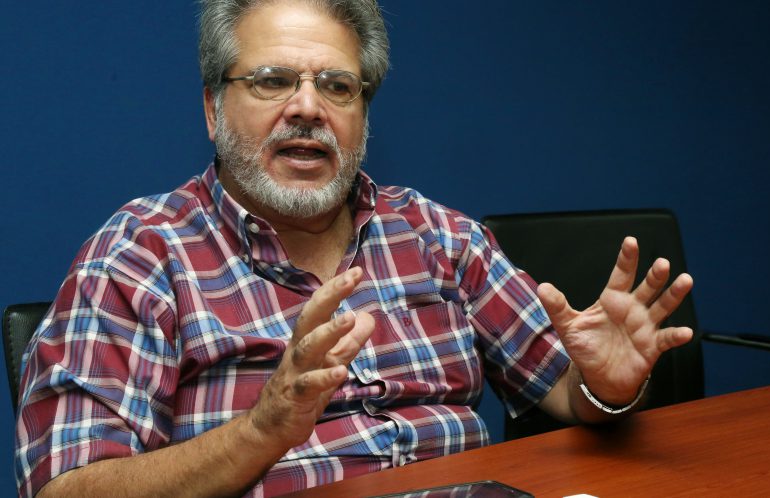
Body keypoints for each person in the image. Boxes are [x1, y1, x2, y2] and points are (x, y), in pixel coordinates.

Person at [13, 0, 694, 496]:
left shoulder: (438, 235)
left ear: (363, 116)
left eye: (337, 86)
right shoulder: (139, 255)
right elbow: (70, 489)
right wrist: (262, 429)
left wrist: (606, 387)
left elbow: (570, 396)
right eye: (273, 80)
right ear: (213, 110)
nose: (308, 108)